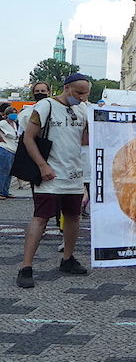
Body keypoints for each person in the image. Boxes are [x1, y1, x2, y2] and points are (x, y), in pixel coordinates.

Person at [16, 73, 92, 288]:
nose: (83, 97)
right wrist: (42, 165)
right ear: (67, 88)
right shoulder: (46, 106)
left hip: (73, 173)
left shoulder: (82, 109)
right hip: (50, 173)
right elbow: (28, 138)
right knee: (41, 217)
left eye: (86, 93)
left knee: (73, 216)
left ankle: (67, 258)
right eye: (79, 93)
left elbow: (84, 140)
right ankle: (26, 266)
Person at [0, 106, 20, 200]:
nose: (14, 114)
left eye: (15, 112)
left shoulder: (15, 124)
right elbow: (9, 134)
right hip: (5, 148)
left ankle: (5, 191)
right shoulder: (3, 123)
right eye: (12, 113)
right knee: (3, 172)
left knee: (9, 172)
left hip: (13, 149)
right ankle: (0, 192)